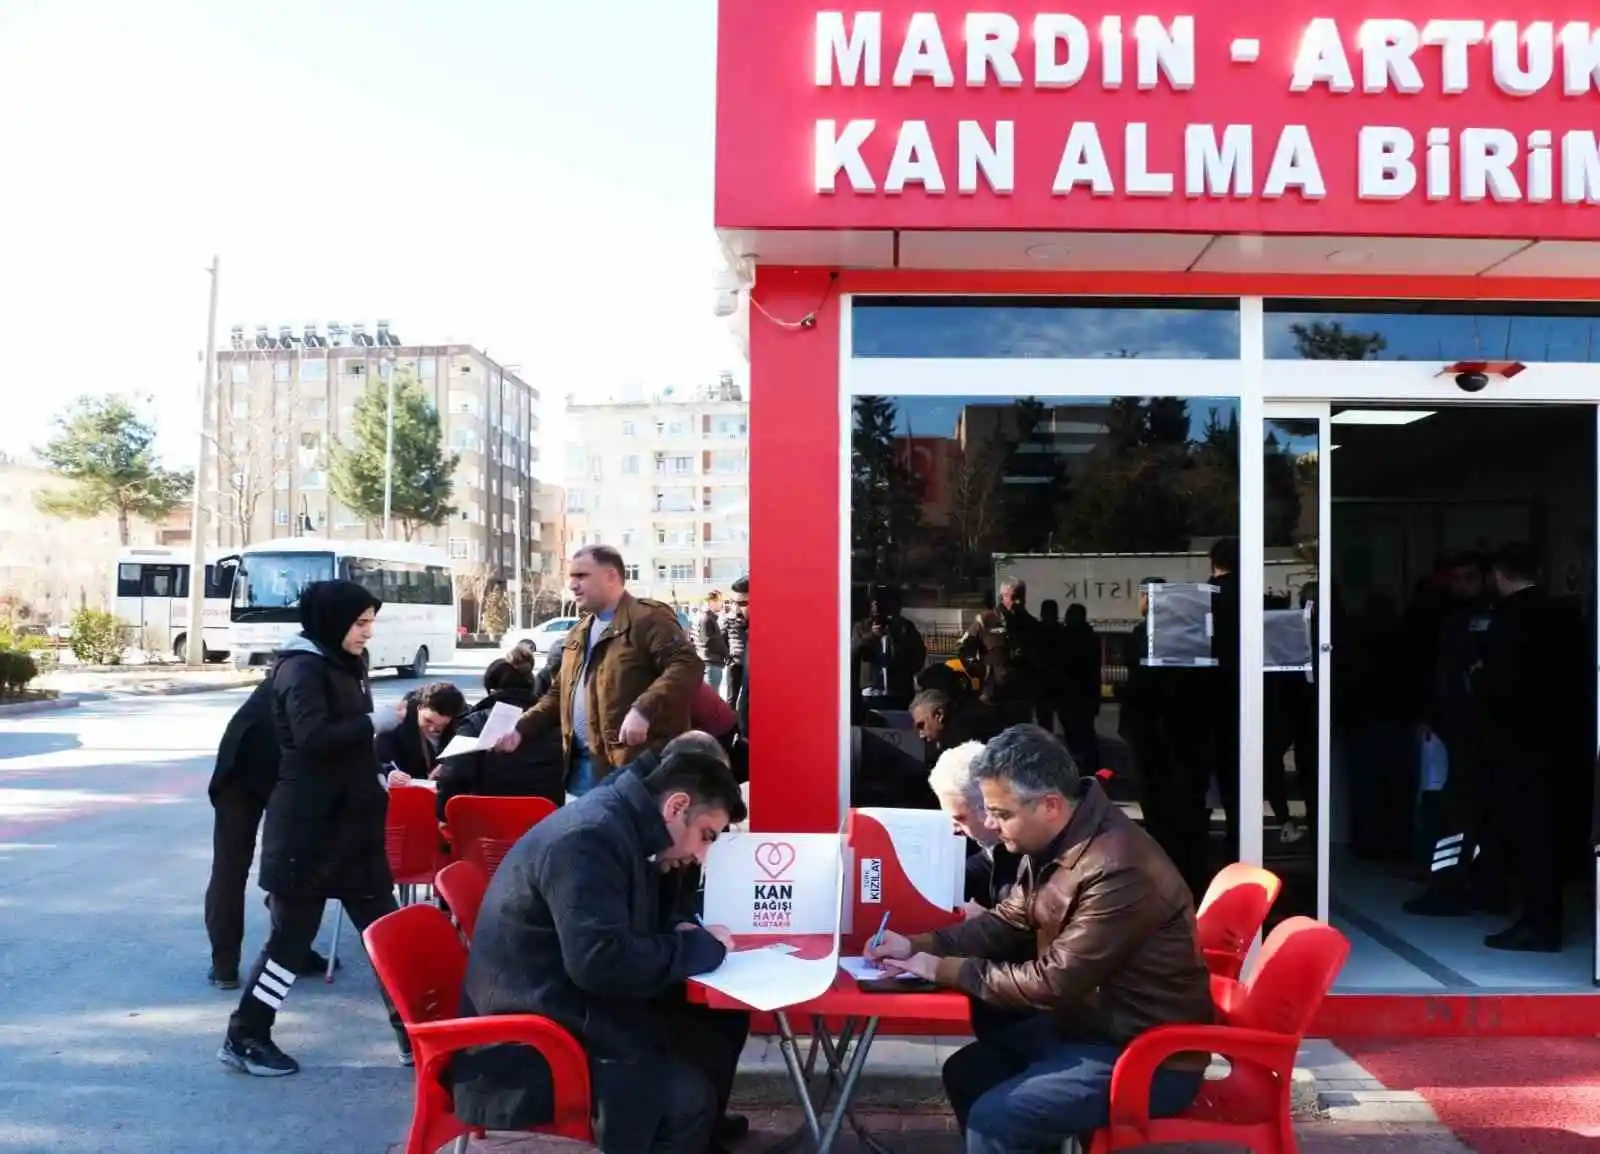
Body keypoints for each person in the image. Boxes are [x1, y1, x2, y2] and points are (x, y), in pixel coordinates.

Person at [866, 725, 1213, 1154]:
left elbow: (1052, 984)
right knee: (968, 1073)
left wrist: (941, 968)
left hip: (1144, 1055)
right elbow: (1010, 917)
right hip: (1092, 1028)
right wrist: (920, 945)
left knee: (999, 1118)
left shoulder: (1118, 869)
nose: (990, 824)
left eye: (1002, 813)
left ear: (1049, 805)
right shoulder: (1059, 838)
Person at [451, 752, 749, 1154]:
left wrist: (678, 931)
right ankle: (688, 1128)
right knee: (685, 1099)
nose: (702, 854)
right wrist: (694, 947)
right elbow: (600, 962)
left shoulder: (621, 821)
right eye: (707, 835)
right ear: (676, 806)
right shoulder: (587, 838)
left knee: (720, 1023)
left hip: (559, 1003)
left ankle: (703, 1136)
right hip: (525, 1045)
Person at [218, 580, 407, 1078]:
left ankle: (416, 1034)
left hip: (353, 831)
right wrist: (373, 721)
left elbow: (348, 750)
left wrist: (381, 769)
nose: (367, 633)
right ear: (331, 620)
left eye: (371, 623)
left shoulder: (345, 663)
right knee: (290, 942)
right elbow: (313, 738)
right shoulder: (301, 668)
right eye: (360, 623)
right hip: (308, 831)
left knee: (388, 935)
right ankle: (247, 1035)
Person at [493, 546, 703, 797]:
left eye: (581, 576)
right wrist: (520, 728)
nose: (572, 585)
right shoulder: (579, 631)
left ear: (611, 576)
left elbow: (687, 665)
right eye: (571, 577)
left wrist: (643, 709)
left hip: (635, 771)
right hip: (581, 770)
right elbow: (559, 694)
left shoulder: (648, 619)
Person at [204, 677, 334, 989]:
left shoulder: (302, 663)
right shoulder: (320, 670)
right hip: (258, 770)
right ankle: (234, 963)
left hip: (260, 764)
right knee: (277, 863)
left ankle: (246, 962)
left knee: (245, 867)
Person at [429, 655, 566, 816]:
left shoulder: (476, 723)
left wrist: (442, 816)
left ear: (491, 691)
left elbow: (453, 777)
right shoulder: (555, 723)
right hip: (544, 823)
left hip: (485, 826)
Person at [377, 682, 468, 783]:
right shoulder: (397, 722)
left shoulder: (465, 723)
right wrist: (391, 773)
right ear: (419, 707)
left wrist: (449, 765)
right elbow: (376, 759)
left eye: (442, 725)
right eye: (428, 721)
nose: (432, 729)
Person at [694, 591, 730, 693]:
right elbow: (708, 641)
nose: (722, 604)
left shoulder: (710, 619)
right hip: (711, 663)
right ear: (711, 602)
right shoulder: (707, 619)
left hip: (713, 663)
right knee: (712, 698)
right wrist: (725, 652)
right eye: (719, 601)